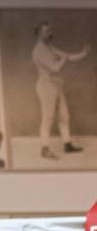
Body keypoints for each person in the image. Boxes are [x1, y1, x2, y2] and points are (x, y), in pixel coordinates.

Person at [32, 21, 90, 160]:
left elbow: (68, 56)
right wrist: (63, 58)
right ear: (39, 33)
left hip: (57, 87)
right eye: (46, 31)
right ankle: (45, 149)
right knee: (48, 118)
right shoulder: (38, 50)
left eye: (50, 30)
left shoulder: (50, 47)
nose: (50, 33)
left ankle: (67, 144)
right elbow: (55, 68)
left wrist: (84, 53)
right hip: (46, 87)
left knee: (64, 116)